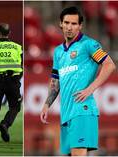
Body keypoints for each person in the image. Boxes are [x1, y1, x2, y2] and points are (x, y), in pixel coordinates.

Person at [40, 7, 116, 156]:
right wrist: (46, 104)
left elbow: (109, 65)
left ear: (80, 26)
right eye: (66, 23)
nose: (69, 27)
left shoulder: (90, 45)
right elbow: (55, 80)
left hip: (83, 111)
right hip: (67, 113)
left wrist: (90, 89)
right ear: (60, 24)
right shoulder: (58, 52)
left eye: (74, 24)